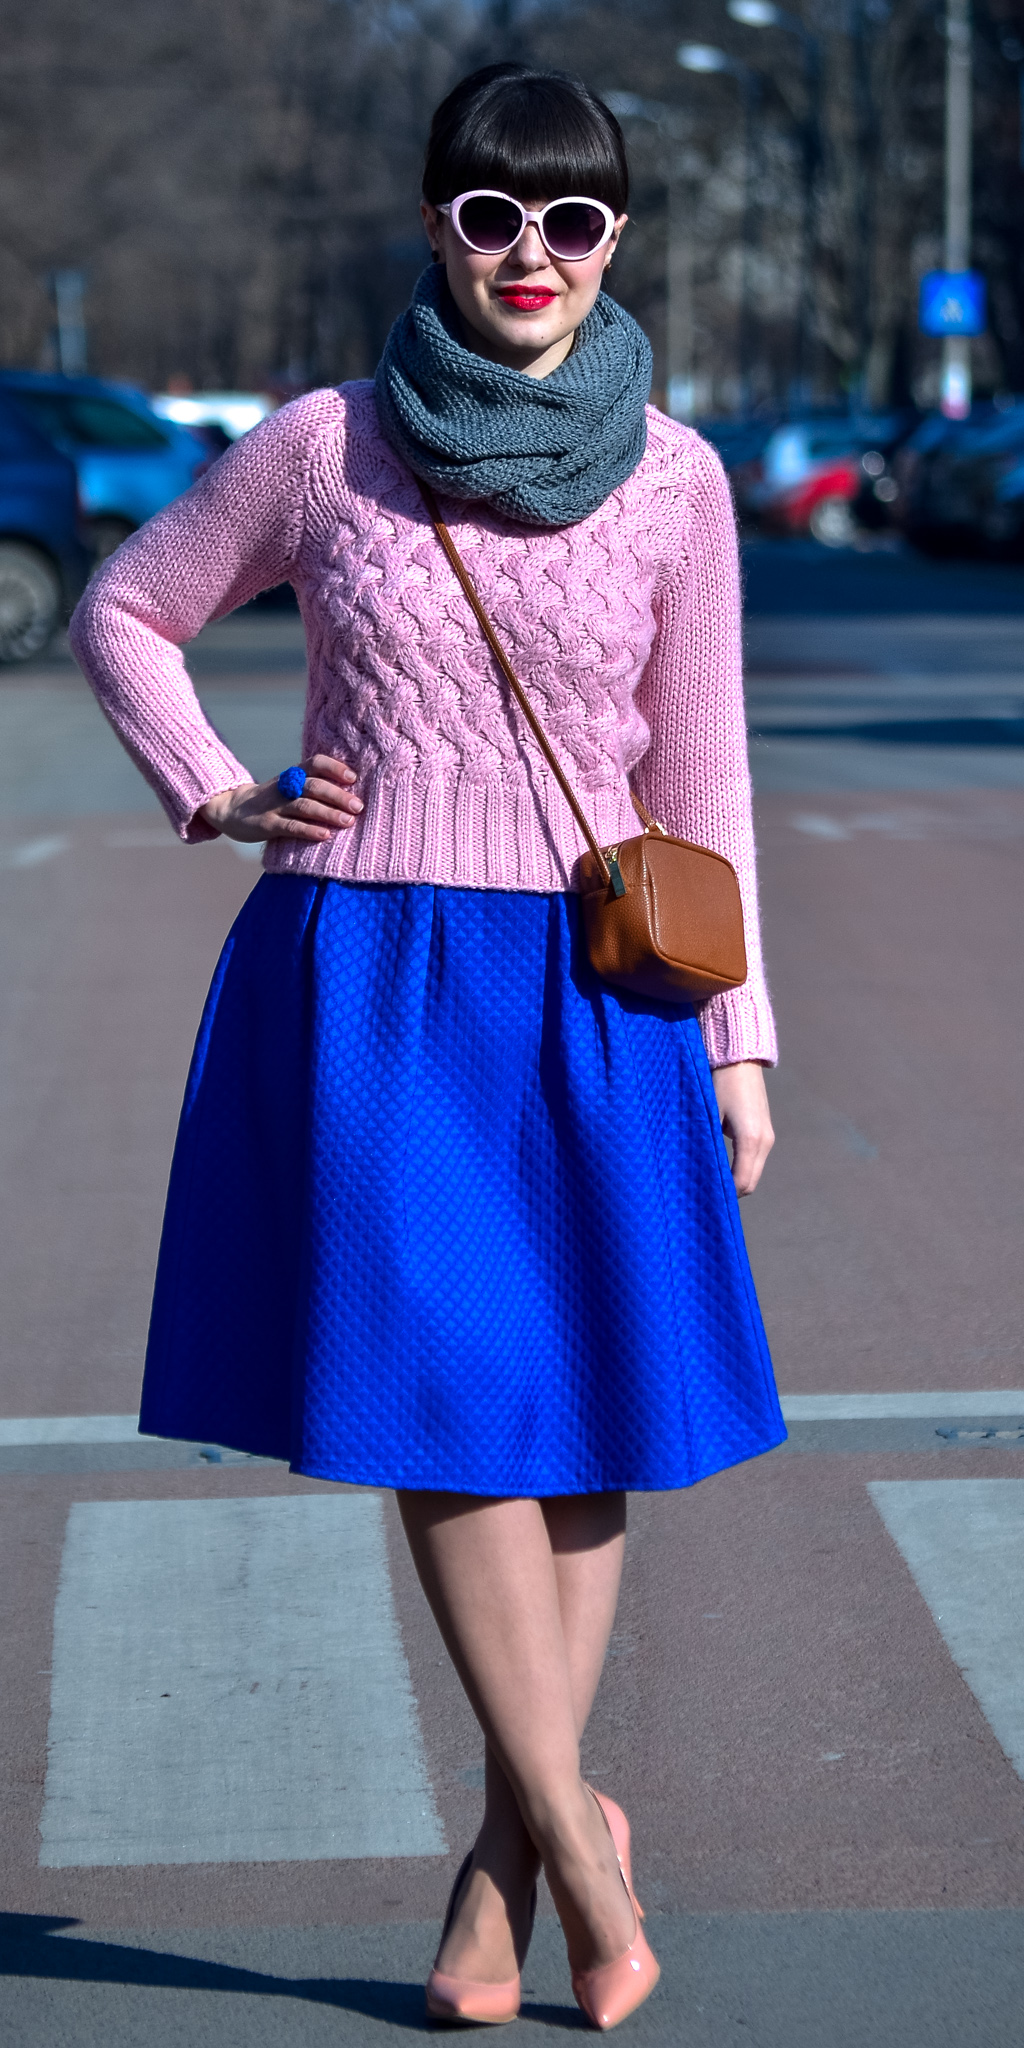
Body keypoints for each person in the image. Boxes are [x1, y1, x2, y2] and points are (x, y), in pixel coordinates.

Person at [70, 62, 784, 2033]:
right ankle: (573, 1830)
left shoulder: (676, 474)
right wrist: (218, 790)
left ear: (614, 240)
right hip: (370, 981)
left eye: (571, 219)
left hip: (601, 987)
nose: (530, 254)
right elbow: (128, 611)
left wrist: (738, 1041)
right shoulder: (325, 446)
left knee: (570, 1419)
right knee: (444, 1404)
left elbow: (702, 776)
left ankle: (500, 1858)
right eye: (491, 214)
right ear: (433, 224)